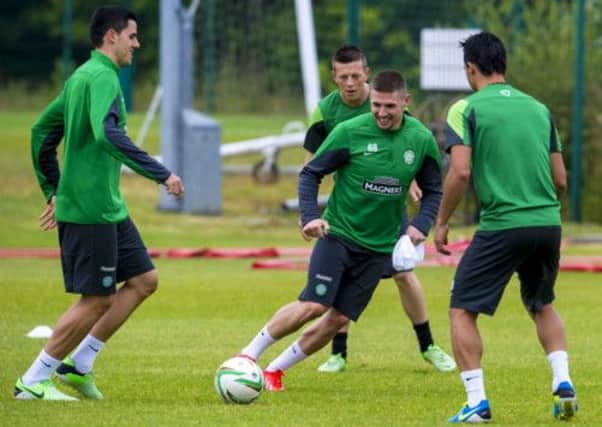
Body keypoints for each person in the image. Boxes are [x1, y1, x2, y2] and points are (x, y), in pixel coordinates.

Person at [15, 6, 184, 401]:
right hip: (91, 209)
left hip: (107, 206)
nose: (137, 44)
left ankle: (80, 364)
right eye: (132, 36)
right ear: (112, 36)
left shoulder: (82, 76)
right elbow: (108, 135)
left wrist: (54, 190)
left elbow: (41, 131)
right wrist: (161, 172)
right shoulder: (104, 78)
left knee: (144, 280)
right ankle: (33, 381)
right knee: (97, 299)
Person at [240, 70, 443, 392]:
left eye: (390, 106)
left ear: (406, 102)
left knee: (337, 319)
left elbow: (434, 189)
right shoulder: (350, 132)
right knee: (314, 305)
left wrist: (420, 225)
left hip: (379, 249)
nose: (381, 113)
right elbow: (310, 173)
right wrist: (309, 216)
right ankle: (247, 356)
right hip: (339, 236)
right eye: (376, 105)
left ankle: (274, 372)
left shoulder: (420, 140)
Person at [434, 32, 577, 422]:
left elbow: (460, 171)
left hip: (502, 224)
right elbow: (561, 180)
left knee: (461, 309)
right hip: (547, 222)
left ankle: (476, 401)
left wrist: (442, 221)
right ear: (504, 64)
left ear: (470, 68)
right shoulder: (538, 109)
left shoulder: (465, 108)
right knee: (541, 302)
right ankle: (563, 382)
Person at [304, 44, 454, 374]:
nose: (350, 82)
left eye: (356, 75)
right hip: (347, 210)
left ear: (366, 74)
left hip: (387, 208)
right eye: (343, 77)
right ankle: (338, 354)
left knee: (403, 272)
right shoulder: (326, 113)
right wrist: (310, 209)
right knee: (339, 280)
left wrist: (410, 183)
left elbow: (411, 151)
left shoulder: (389, 101)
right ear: (334, 78)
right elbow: (311, 164)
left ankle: (428, 345)